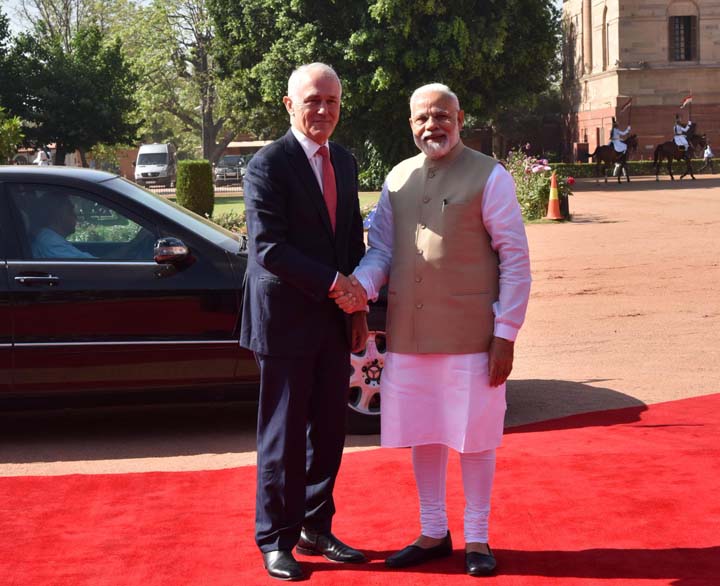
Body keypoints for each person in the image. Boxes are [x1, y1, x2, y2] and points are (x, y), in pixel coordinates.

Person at [331, 83, 531, 577]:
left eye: (441, 116)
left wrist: (505, 332)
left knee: (476, 437)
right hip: (410, 335)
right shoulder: (397, 178)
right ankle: (432, 531)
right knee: (425, 434)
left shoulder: (490, 176)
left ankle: (479, 538)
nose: (432, 126)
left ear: (459, 118)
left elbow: (515, 258)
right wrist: (359, 289)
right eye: (422, 119)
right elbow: (381, 251)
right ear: (411, 125)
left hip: (472, 336)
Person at [240, 62, 368, 581]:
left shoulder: (345, 160)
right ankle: (275, 538)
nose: (323, 110)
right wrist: (336, 285)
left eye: (332, 102)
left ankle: (317, 527)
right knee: (284, 436)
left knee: (330, 431)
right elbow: (269, 248)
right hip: (285, 321)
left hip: (334, 320)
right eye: (313, 100)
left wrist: (358, 308)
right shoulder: (267, 165)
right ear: (289, 105)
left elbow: (350, 239)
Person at [31, 193, 95, 259]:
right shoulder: (51, 243)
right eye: (70, 211)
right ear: (58, 216)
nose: (75, 216)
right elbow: (90, 264)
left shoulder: (49, 238)